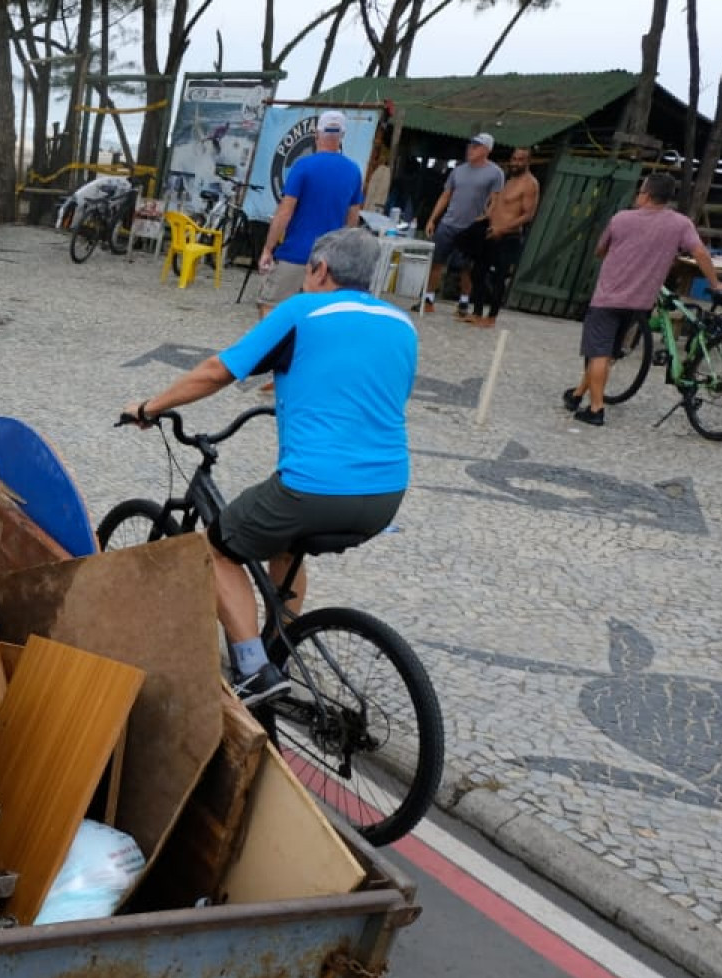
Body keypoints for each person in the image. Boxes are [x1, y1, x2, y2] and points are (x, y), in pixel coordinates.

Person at [121, 228, 415, 705]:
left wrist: (149, 407)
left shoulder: (302, 311)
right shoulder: (402, 325)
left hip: (314, 489)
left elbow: (218, 371)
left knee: (214, 549)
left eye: (309, 271)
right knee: (286, 546)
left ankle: (253, 669)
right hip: (386, 493)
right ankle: (280, 654)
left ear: (320, 269)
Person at [563, 172, 722, 426]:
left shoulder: (622, 219)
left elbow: (600, 250)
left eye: (640, 191)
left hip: (608, 298)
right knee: (607, 353)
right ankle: (577, 394)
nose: (638, 195)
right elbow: (699, 252)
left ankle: (596, 409)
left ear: (648, 195)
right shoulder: (681, 224)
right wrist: (715, 283)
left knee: (598, 353)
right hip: (640, 302)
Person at [256, 110, 363, 316]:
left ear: (317, 134)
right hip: (329, 261)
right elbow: (352, 220)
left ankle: (281, 339)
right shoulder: (353, 171)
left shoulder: (303, 166)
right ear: (342, 136)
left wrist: (268, 249)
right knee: (317, 315)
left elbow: (284, 212)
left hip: (295, 253)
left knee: (271, 307)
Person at [416, 132, 504, 316]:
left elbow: (496, 199)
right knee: (436, 261)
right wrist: (433, 219)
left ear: (486, 150)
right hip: (449, 222)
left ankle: (463, 303)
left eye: (476, 146)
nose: (471, 149)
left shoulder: (495, 173)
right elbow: (446, 195)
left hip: (471, 226)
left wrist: (487, 218)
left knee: (467, 267)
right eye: (471, 145)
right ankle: (428, 299)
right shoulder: (458, 170)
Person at [463, 145, 539, 328]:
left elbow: (527, 215)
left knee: (498, 278)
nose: (515, 163)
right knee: (478, 271)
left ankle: (491, 317)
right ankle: (477, 312)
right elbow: (501, 205)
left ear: (528, 162)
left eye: (520, 160)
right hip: (491, 232)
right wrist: (487, 216)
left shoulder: (530, 184)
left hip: (508, 237)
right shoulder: (510, 180)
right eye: (514, 159)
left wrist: (503, 228)